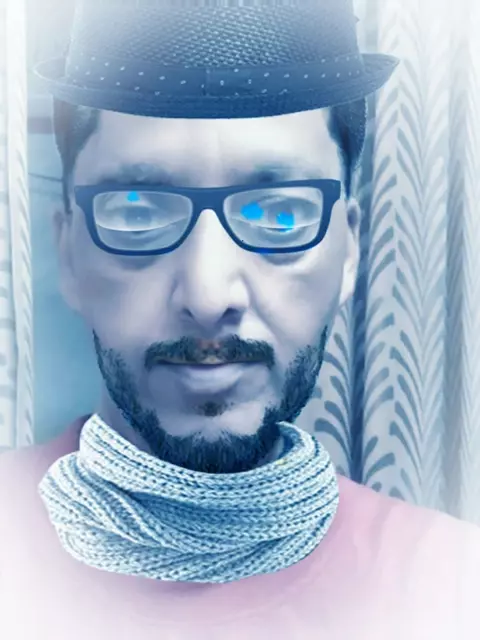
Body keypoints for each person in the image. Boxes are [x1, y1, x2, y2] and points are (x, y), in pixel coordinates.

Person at [1, 1, 479, 639]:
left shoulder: (452, 589)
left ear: (349, 254)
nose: (207, 295)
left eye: (280, 214)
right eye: (138, 211)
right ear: (68, 253)